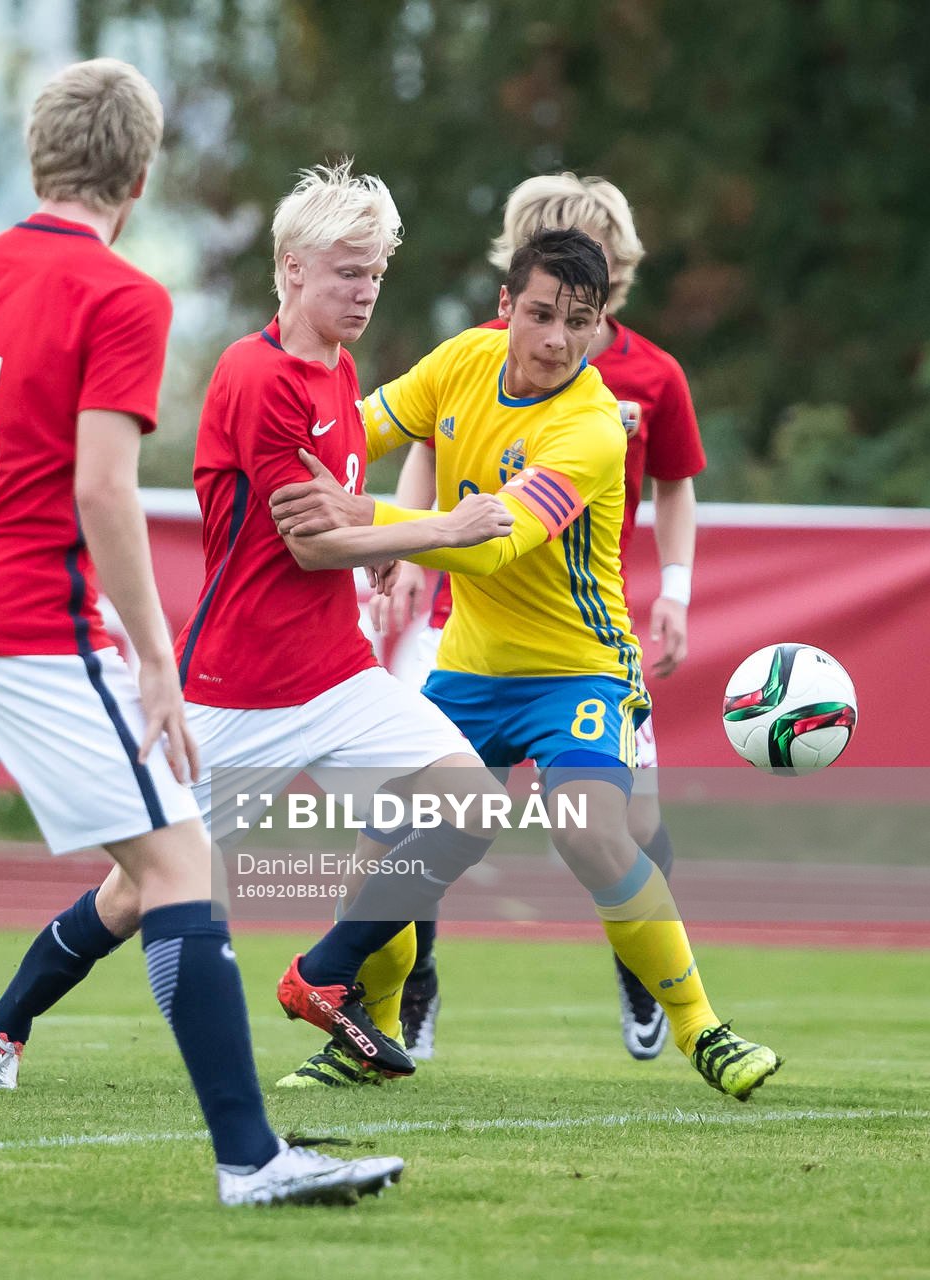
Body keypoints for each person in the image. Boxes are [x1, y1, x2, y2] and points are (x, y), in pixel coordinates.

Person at [0, 62, 404, 1206]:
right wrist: (155, 657)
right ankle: (253, 1160)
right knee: (177, 862)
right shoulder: (122, 294)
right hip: (23, 617)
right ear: (140, 175)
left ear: (37, 159)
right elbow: (104, 489)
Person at [0, 161, 513, 1095]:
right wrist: (434, 533)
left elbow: (332, 516)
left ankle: (323, 973)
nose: (366, 290)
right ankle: (0, 1025)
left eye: (376, 273)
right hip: (238, 691)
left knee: (473, 807)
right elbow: (306, 545)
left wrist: (377, 535)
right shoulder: (256, 374)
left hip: (338, 674)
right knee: (136, 891)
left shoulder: (340, 373)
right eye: (348, 270)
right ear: (292, 268)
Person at [270, 227, 779, 1100]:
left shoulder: (593, 426)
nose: (556, 339)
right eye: (541, 314)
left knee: (589, 829)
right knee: (382, 844)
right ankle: (367, 1038)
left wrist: (370, 523)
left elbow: (493, 543)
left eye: (579, 322)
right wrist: (276, 444)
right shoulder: (460, 361)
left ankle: (702, 1028)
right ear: (505, 305)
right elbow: (357, 429)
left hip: (579, 668)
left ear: (600, 323)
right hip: (468, 668)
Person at [375, 175, 708, 1063]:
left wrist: (675, 590)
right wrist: (406, 549)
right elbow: (425, 443)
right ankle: (413, 985)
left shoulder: (648, 375)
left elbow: (675, 487)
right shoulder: (482, 353)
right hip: (466, 619)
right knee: (417, 812)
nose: (557, 326)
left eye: (600, 256)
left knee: (626, 826)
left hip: (581, 637)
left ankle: (645, 968)